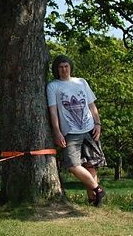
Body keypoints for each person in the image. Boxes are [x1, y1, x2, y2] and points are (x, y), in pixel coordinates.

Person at [46, 54, 107, 206]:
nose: (64, 70)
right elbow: (53, 111)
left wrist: (98, 124)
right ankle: (97, 189)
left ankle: (93, 200)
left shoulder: (81, 82)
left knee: (91, 165)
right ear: (56, 69)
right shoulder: (53, 86)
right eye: (60, 67)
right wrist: (57, 131)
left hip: (89, 128)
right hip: (71, 132)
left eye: (66, 66)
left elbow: (91, 105)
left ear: (70, 67)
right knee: (73, 165)